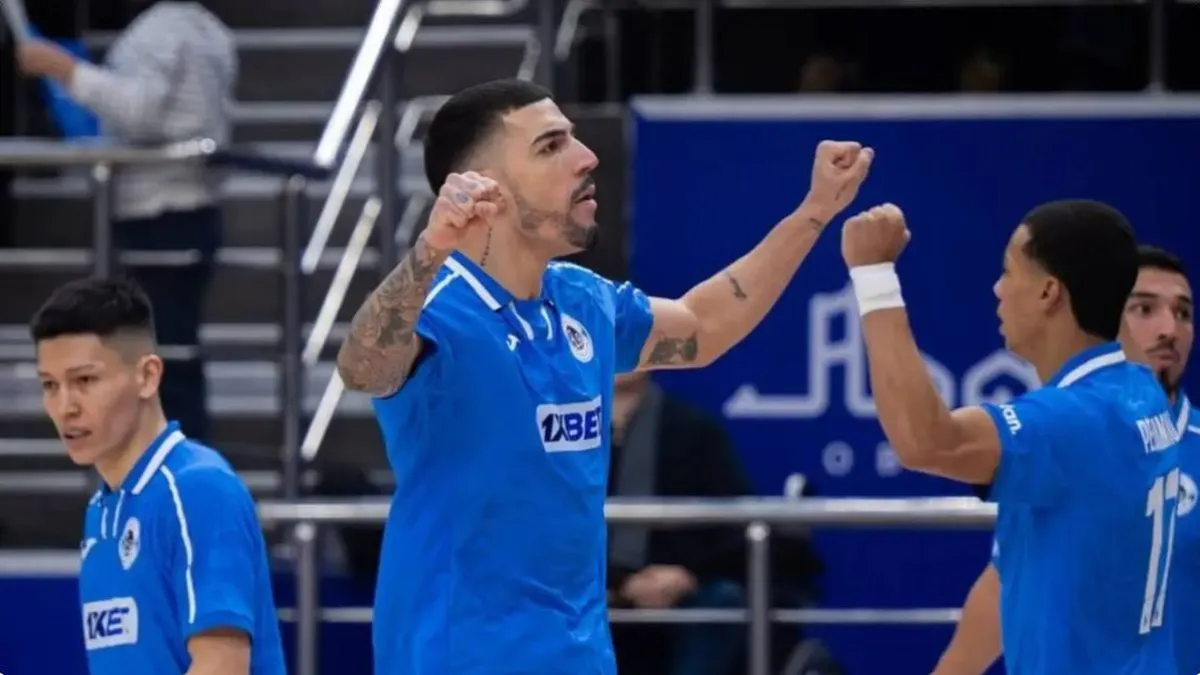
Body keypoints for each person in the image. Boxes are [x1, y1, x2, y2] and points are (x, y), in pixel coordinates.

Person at [334, 78, 873, 674]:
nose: (586, 157)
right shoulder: (439, 306)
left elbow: (704, 325)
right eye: (550, 146)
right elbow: (363, 367)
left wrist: (814, 212)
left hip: (579, 655)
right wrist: (429, 250)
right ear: (484, 188)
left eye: (575, 139)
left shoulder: (581, 299)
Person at [839, 200, 1179, 673]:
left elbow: (927, 442)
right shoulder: (1142, 390)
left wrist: (874, 275)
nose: (997, 289)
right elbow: (1007, 575)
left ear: (1049, 292)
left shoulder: (1070, 422)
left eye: (1008, 270)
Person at [931, 244, 1197, 675]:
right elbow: (1006, 580)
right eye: (1144, 309)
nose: (1170, 329)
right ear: (1107, 317)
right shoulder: (1063, 436)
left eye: (1183, 313)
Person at [31, 277, 285, 675]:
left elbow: (222, 665)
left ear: (148, 376)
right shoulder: (101, 510)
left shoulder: (198, 489)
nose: (65, 407)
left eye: (85, 380)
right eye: (50, 385)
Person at [17, 0, 237, 442]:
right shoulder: (208, 28)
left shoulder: (161, 32)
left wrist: (65, 70)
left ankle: (177, 465)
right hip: (187, 209)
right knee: (168, 354)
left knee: (162, 359)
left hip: (160, 213)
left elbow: (139, 111)